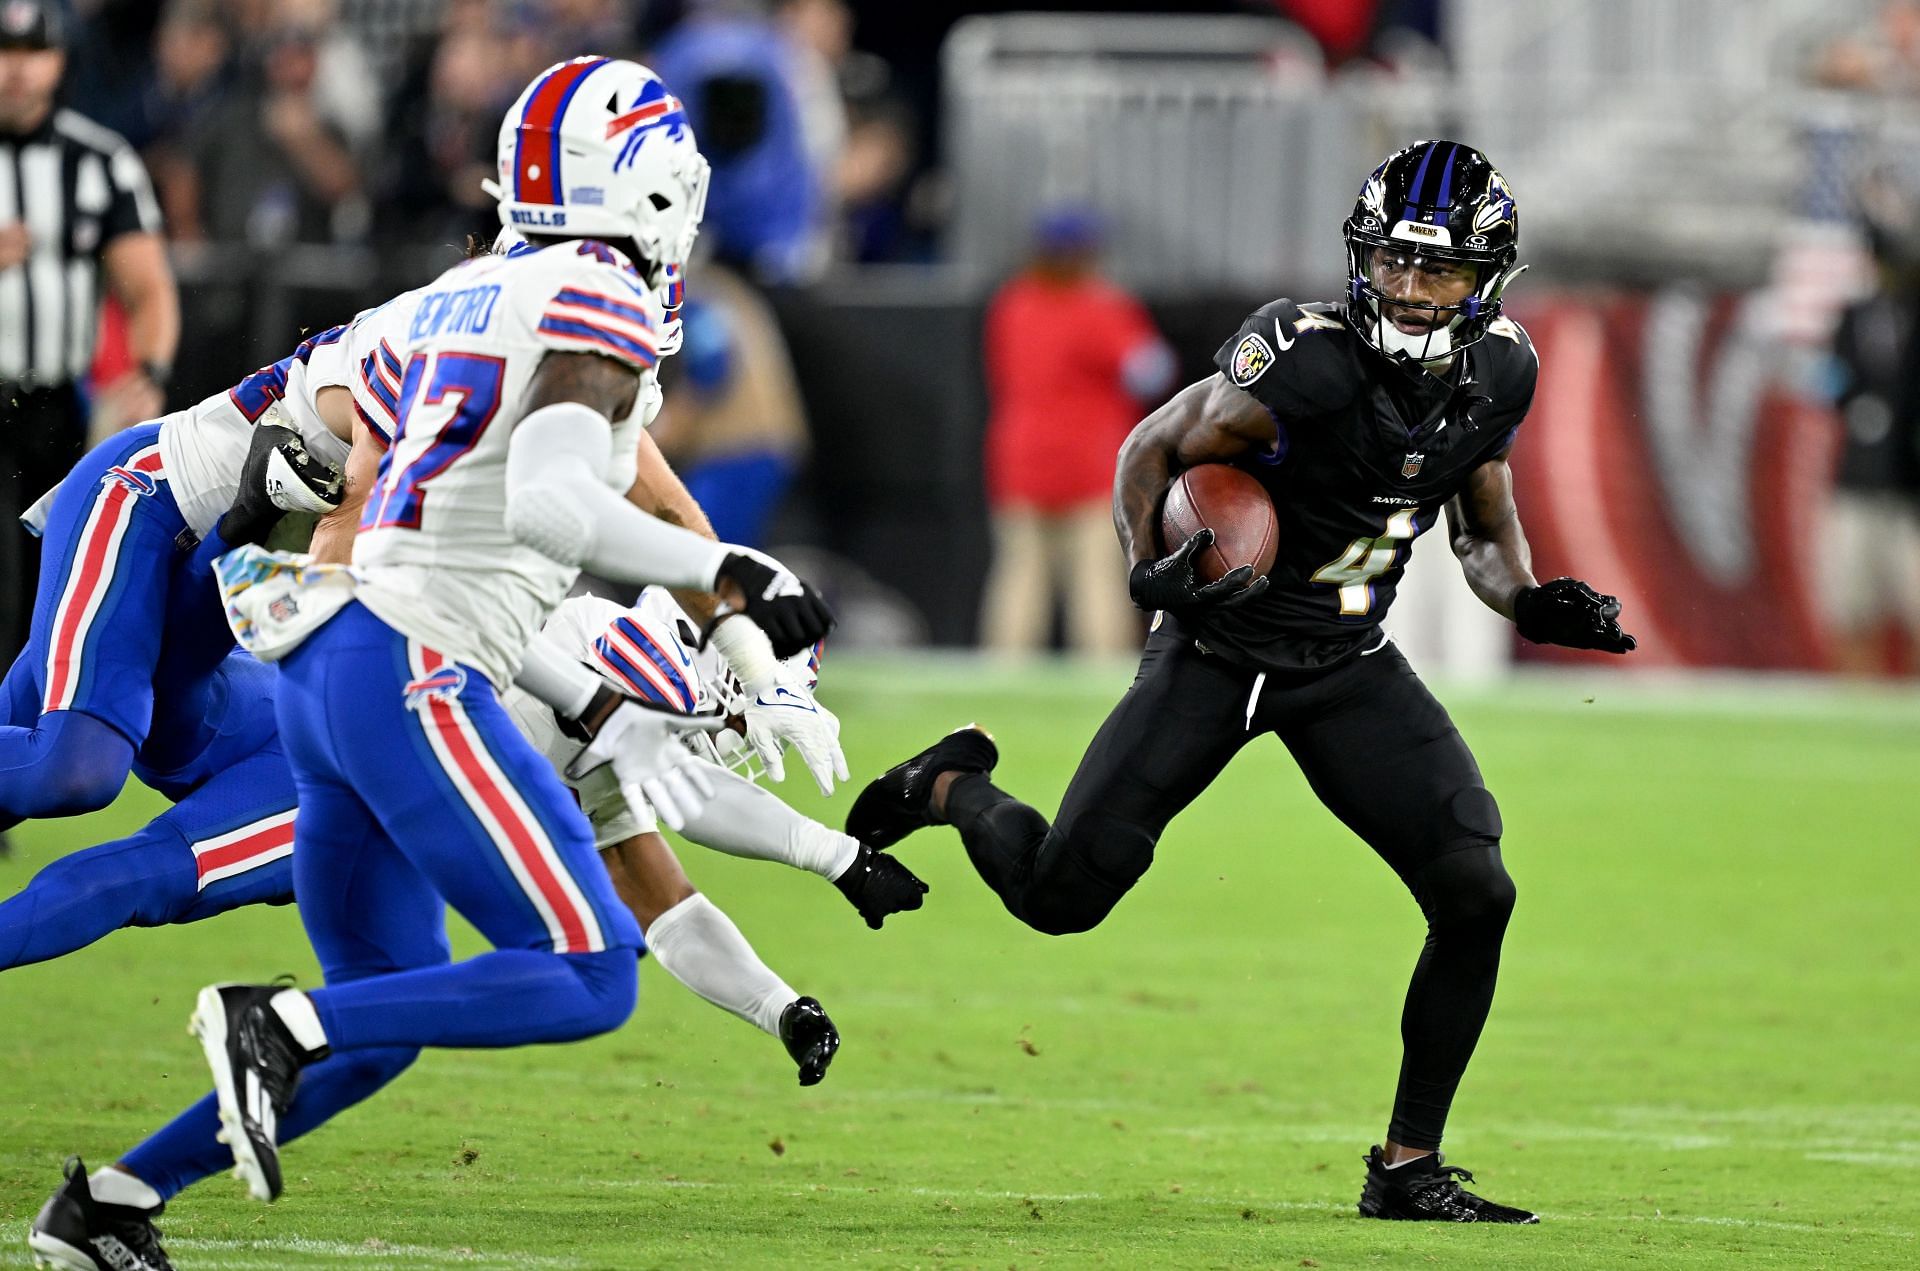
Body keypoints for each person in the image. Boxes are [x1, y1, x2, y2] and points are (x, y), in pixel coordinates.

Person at [27, 57, 835, 1271]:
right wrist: (729, 583)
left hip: (332, 667)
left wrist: (721, 621)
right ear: (657, 188)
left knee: (391, 1004)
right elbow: (564, 503)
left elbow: (332, 461)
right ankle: (278, 1020)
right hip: (416, 669)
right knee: (587, 972)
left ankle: (113, 1205)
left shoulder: (460, 294)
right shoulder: (598, 294)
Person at [847, 141, 1639, 1224]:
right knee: (1059, 897)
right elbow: (1150, 443)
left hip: (1346, 663)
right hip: (1218, 650)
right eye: (1395, 262)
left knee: (1476, 890)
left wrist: (1533, 597)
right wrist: (1144, 562)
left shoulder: (1500, 368)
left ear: (1487, 279)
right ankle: (949, 785)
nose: (1410, 288)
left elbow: (1483, 521)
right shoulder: (1304, 360)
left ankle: (1407, 1165)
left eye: (1439, 269)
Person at [0, 0, 179, 664]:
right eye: (5, 52)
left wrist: (149, 375)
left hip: (55, 408)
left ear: (60, 61)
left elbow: (149, 287)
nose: (17, 71)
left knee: (52, 579)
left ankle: (32, 736)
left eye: (33, 52)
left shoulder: (98, 159)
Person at [978, 206, 1174, 656]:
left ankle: (1003, 674)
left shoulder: (1012, 303)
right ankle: (1102, 678)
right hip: (1090, 462)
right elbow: (1150, 371)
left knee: (1020, 573)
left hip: (1020, 458)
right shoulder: (1100, 306)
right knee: (1097, 575)